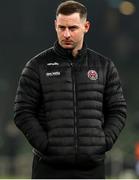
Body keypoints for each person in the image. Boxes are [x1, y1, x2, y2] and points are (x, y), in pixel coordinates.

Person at [14, 0, 127, 179]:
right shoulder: (37, 66)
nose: (66, 34)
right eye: (61, 27)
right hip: (49, 168)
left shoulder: (104, 66)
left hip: (92, 168)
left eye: (73, 28)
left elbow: (118, 110)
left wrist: (103, 142)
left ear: (86, 26)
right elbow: (22, 112)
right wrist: (45, 145)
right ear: (55, 26)